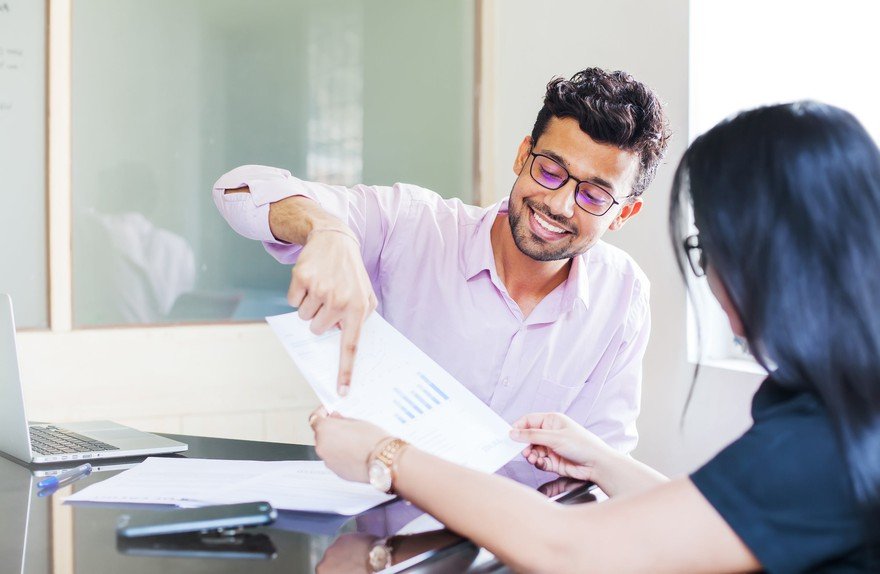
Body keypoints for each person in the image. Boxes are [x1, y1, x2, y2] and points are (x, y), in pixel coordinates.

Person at [310, 101, 880, 572]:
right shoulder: (843, 408)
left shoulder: (822, 438)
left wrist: (386, 454)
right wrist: (599, 461)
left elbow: (572, 548)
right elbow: (706, 512)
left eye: (708, 250)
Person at [213, 68, 670, 452]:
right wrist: (326, 230)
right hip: (387, 546)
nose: (559, 205)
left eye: (593, 195)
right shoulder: (413, 226)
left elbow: (603, 461)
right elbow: (238, 189)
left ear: (624, 214)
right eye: (549, 170)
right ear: (521, 155)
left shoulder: (624, 295)